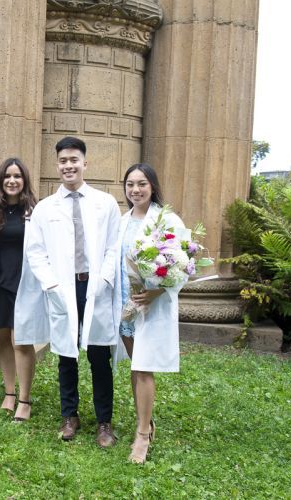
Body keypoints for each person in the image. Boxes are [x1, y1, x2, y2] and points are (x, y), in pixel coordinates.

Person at [26, 136, 121, 447]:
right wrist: (51, 284)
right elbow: (36, 252)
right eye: (63, 161)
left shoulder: (104, 203)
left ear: (85, 163)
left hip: (94, 285)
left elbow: (113, 248)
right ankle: (70, 415)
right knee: (66, 353)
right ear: (57, 166)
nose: (69, 166)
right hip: (62, 288)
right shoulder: (44, 208)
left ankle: (104, 421)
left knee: (98, 354)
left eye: (74, 160)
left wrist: (105, 280)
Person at [114, 163, 186, 463]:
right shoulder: (123, 220)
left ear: (152, 186)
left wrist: (158, 290)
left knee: (143, 368)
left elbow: (183, 264)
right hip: (124, 305)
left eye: (141, 183)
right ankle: (146, 421)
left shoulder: (167, 219)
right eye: (130, 184)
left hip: (151, 305)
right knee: (135, 366)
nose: (135, 190)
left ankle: (142, 436)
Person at [0, 158, 41, 421]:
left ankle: (25, 400)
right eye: (7, 177)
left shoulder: (35, 213)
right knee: (4, 338)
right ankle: (9, 392)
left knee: (22, 341)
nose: (12, 181)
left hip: (23, 283)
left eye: (17, 176)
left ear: (24, 180)